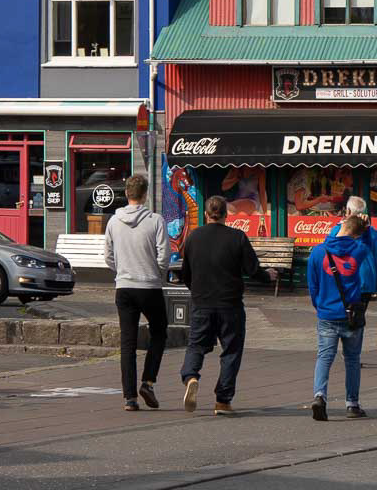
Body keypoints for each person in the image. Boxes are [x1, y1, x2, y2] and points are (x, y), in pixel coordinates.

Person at [179, 195, 265, 416]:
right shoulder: (237, 237)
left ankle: (191, 376)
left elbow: (185, 273)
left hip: (202, 303)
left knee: (196, 345)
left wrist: (197, 290)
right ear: (227, 214)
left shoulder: (193, 237)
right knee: (231, 351)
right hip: (230, 304)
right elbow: (253, 269)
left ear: (206, 214)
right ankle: (223, 401)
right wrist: (269, 275)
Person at [104, 174, 170, 412]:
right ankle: (148, 381)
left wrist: (122, 270)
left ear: (126, 193)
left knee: (128, 342)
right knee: (159, 332)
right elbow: (164, 255)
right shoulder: (155, 220)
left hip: (124, 287)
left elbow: (108, 256)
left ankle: (129, 397)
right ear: (145, 194)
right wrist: (156, 271)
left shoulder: (114, 221)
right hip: (149, 286)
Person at [307, 212, 377, 420]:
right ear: (357, 234)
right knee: (352, 359)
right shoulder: (358, 250)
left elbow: (313, 286)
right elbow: (369, 243)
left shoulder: (318, 252)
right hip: (351, 315)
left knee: (324, 357)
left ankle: (320, 396)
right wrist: (366, 226)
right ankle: (352, 404)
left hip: (327, 314)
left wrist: (320, 306)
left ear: (340, 226)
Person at [326, 195, 377, 300]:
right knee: (359, 309)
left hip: (341, 283)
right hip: (365, 284)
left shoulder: (335, 231)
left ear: (348, 211)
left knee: (343, 309)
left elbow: (327, 258)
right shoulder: (371, 233)